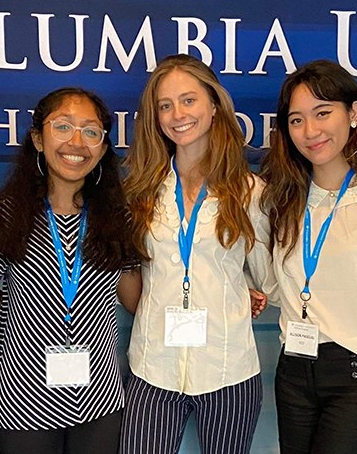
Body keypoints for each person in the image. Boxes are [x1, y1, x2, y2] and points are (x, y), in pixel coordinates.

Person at [119, 54, 272, 454]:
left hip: (228, 367)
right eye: (165, 105)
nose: (177, 114)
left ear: (214, 105)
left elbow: (264, 276)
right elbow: (130, 272)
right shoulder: (140, 190)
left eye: (188, 100)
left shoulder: (249, 191)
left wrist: (247, 292)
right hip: (154, 366)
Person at [257, 60, 357, 454]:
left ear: (354, 113)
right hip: (293, 369)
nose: (310, 131)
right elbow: (273, 285)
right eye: (296, 120)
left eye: (322, 113)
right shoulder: (279, 200)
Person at [0, 87, 141, 454]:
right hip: (22, 404)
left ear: (103, 148)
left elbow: (135, 301)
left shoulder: (118, 218)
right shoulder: (8, 214)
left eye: (91, 131)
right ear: (38, 139)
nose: (77, 142)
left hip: (100, 401)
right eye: (63, 127)